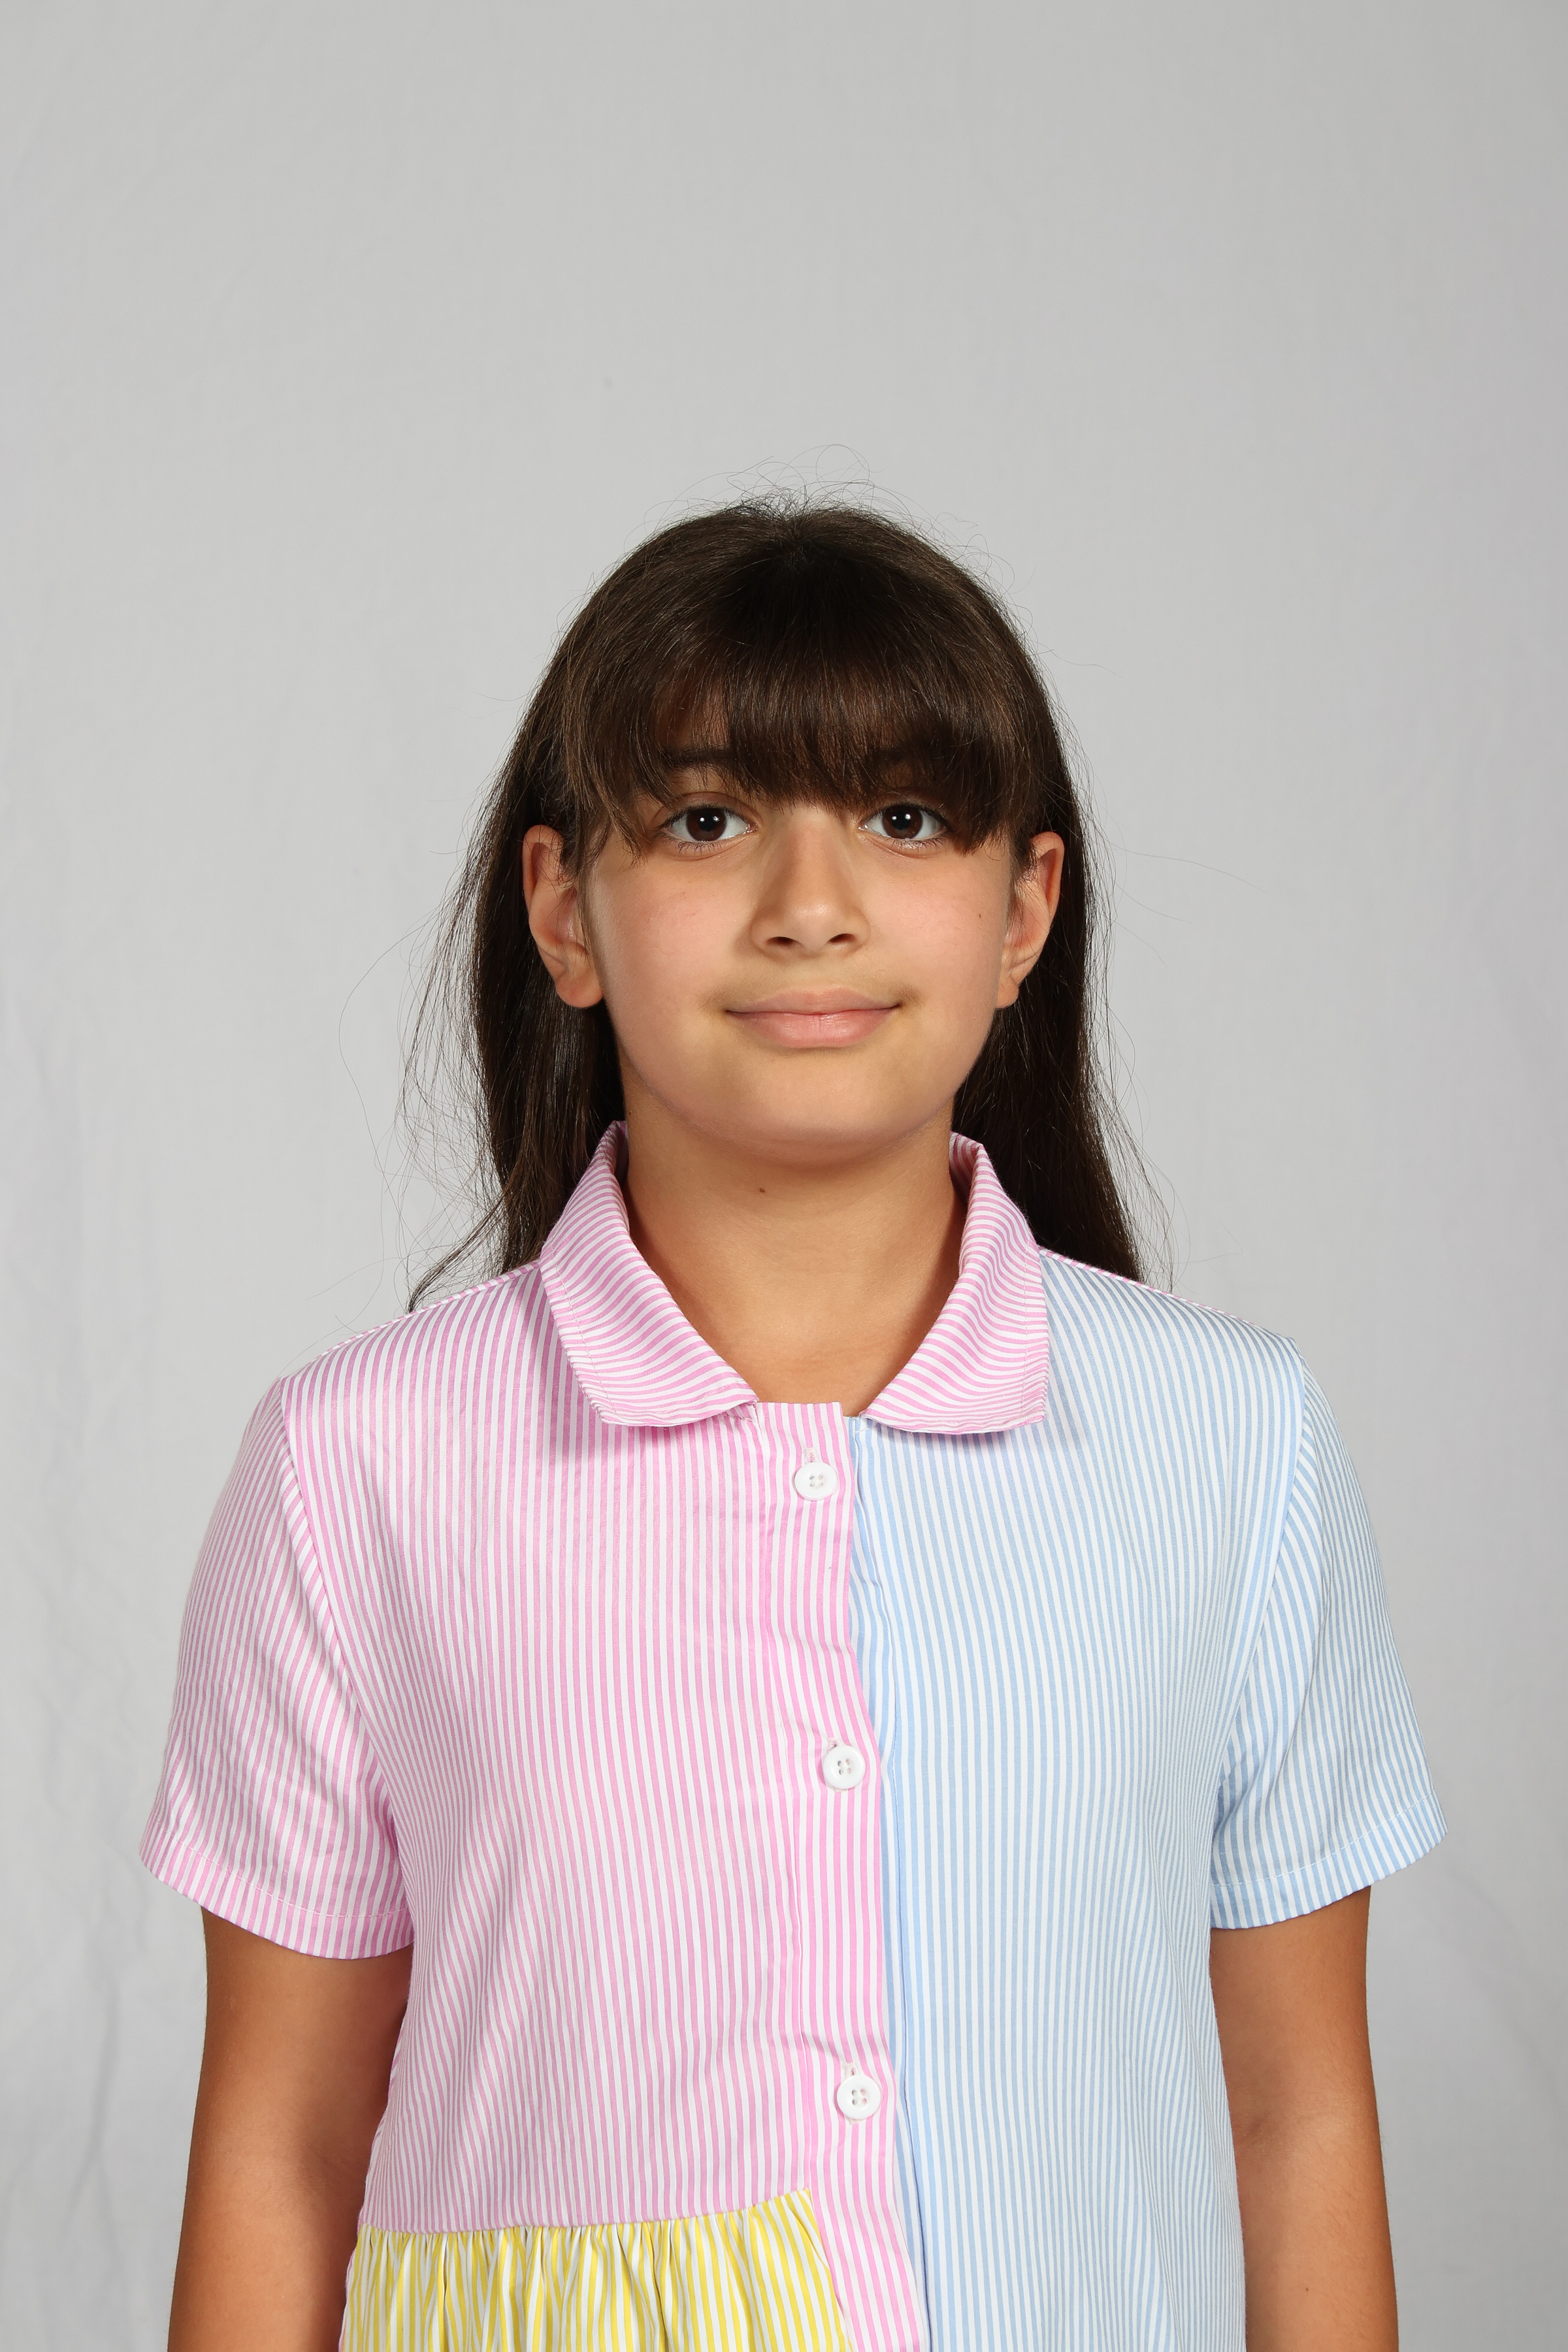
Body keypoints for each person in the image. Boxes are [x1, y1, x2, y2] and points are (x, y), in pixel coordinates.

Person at [143, 499, 1444, 2352]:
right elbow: (285, 2143)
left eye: (904, 817)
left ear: (1026, 912)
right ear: (563, 911)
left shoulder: (1230, 1448)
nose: (810, 903)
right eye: (706, 819)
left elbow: (1295, 2109)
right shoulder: (358, 1468)